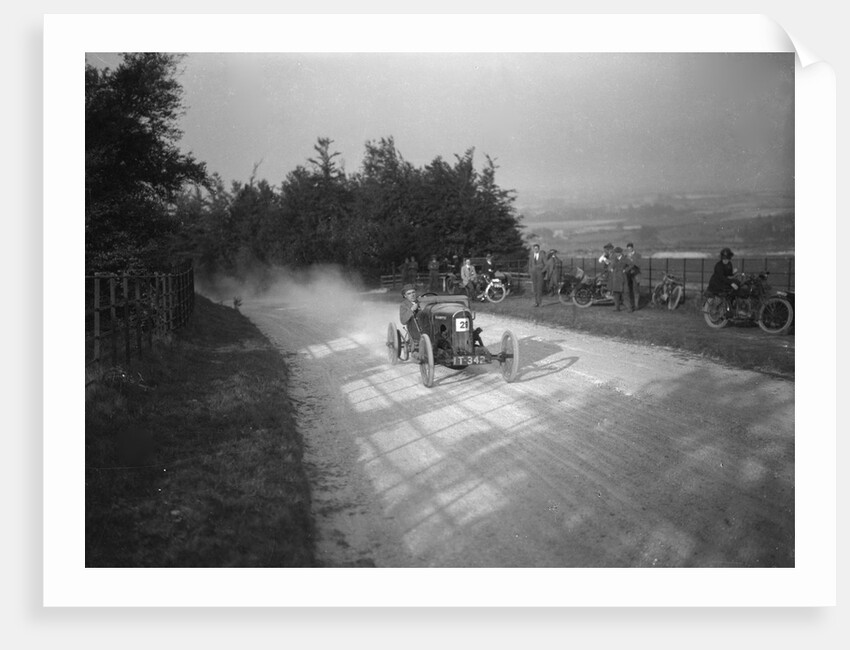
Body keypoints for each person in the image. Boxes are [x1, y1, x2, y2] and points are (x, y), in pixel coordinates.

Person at [609, 246, 629, 311]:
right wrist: (611, 268)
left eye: (618, 252)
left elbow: (631, 265)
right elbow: (611, 266)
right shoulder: (614, 259)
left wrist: (625, 270)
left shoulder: (624, 259)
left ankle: (629, 308)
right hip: (615, 278)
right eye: (616, 252)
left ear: (620, 252)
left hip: (622, 278)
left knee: (624, 294)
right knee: (616, 294)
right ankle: (617, 308)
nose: (617, 254)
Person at [624, 242, 642, 311]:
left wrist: (631, 260)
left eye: (630, 248)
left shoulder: (637, 255)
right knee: (629, 290)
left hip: (636, 274)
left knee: (636, 290)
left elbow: (638, 264)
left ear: (632, 248)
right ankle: (631, 305)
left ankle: (636, 305)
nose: (629, 250)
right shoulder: (626, 256)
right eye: (628, 249)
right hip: (628, 275)